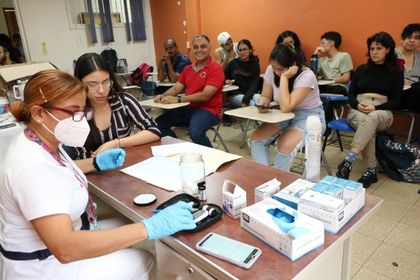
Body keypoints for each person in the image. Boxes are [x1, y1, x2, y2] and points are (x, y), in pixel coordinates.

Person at [0, 69, 196, 279]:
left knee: (128, 223)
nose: (81, 121)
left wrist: (95, 162)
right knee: (142, 259)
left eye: (83, 112)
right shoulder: (32, 168)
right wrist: (150, 228)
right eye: (73, 113)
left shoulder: (39, 140)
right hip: (43, 267)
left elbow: (58, 168)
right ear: (39, 113)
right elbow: (66, 248)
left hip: (61, 238)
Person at [64, 53, 160, 165]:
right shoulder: (75, 112)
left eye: (105, 82)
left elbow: (154, 130)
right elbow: (74, 160)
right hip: (90, 174)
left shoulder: (124, 101)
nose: (101, 91)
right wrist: (99, 162)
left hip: (123, 167)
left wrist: (116, 143)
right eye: (92, 84)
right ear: (79, 84)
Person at [336, 32, 404, 188]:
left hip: (383, 111)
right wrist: (357, 104)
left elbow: (396, 101)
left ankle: (348, 160)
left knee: (371, 119)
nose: (374, 52)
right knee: (367, 126)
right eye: (372, 48)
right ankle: (371, 170)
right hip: (358, 108)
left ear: (388, 49)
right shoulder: (361, 69)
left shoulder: (395, 72)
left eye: (378, 48)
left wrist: (376, 107)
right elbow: (351, 95)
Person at [249, 43, 326, 171]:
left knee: (284, 145)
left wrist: (284, 77)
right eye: (274, 68)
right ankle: (264, 179)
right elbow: (266, 96)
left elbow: (286, 106)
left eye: (281, 69)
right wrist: (264, 103)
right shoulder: (271, 70)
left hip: (309, 116)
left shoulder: (307, 75)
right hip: (283, 115)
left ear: (293, 65)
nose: (276, 72)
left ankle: (280, 183)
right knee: (256, 139)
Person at [154, 34, 224, 148]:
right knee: (157, 124)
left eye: (203, 46)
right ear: (192, 49)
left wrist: (178, 99)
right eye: (196, 47)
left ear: (210, 47)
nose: (199, 50)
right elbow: (176, 88)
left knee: (195, 132)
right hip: (189, 108)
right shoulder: (188, 69)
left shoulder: (216, 69)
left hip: (209, 111)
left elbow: (205, 96)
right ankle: (179, 148)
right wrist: (162, 96)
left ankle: (212, 157)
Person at [224, 39, 261, 107]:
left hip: (250, 93)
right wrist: (226, 81)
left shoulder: (255, 64)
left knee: (261, 100)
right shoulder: (233, 63)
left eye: (245, 49)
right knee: (252, 104)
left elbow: (254, 85)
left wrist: (245, 100)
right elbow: (222, 77)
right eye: (240, 50)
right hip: (235, 95)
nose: (242, 52)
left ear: (250, 50)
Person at [395, 23, 420, 112]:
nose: (412, 40)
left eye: (417, 38)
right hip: (397, 94)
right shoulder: (391, 55)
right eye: (409, 37)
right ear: (402, 39)